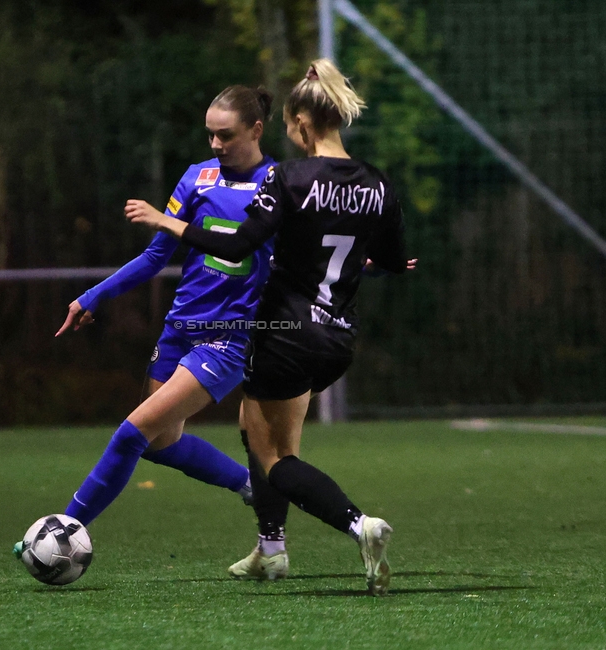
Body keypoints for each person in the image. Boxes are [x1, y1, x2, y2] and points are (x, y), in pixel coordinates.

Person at [126, 59, 416, 595]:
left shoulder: (290, 177)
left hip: (286, 334)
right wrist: (369, 265)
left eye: (287, 124)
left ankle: (360, 526)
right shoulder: (379, 184)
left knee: (274, 456)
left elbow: (237, 244)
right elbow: (396, 262)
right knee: (256, 429)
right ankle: (270, 548)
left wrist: (168, 221)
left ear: (303, 122)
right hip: (337, 341)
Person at [40, 85, 280, 537]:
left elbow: (309, 257)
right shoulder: (197, 177)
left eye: (225, 135)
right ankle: (252, 486)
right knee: (160, 442)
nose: (215, 144)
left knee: (132, 432)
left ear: (256, 129)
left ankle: (65, 531)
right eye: (210, 135)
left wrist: (365, 266)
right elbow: (155, 258)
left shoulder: (278, 184)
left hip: (228, 339)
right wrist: (91, 297)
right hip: (179, 330)